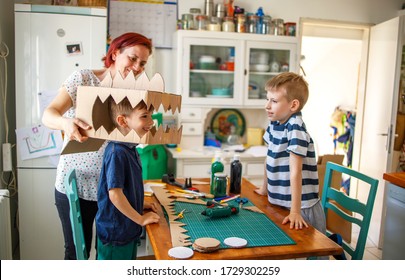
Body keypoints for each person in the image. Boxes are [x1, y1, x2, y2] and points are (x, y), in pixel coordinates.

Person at [42, 32, 153, 260]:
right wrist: (66, 122)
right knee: (76, 253)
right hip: (77, 184)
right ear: (114, 53)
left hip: (112, 189)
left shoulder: (134, 93)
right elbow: (48, 114)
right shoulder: (83, 78)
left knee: (103, 250)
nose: (137, 67)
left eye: (142, 63)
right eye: (132, 58)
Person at [255, 72, 326, 236]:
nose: (267, 105)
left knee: (312, 255)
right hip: (281, 202)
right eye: (267, 99)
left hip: (301, 208)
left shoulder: (295, 127)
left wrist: (295, 211)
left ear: (293, 105)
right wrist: (265, 188)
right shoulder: (275, 123)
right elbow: (270, 159)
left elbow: (296, 172)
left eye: (274, 101)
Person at [96, 98, 160, 260]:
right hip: (116, 233)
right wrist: (140, 218)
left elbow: (126, 188)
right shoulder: (117, 152)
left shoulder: (130, 148)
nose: (151, 122)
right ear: (123, 121)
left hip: (127, 229)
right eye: (144, 116)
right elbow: (115, 194)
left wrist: (141, 204)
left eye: (151, 116)